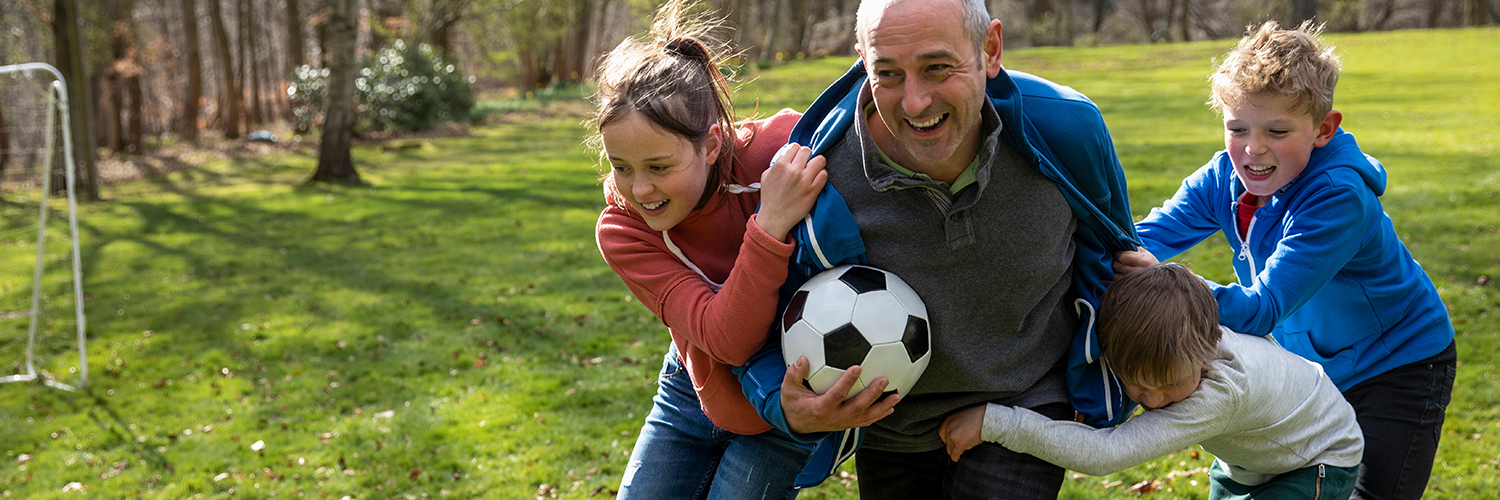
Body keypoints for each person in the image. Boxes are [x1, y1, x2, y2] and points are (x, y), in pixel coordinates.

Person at [735, 0, 1143, 497]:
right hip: (888, 428)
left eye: (937, 68)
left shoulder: (1066, 132)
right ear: (862, 59)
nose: (915, 102)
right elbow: (752, 325)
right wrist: (785, 401)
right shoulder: (816, 179)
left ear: (990, 50)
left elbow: (1121, 263)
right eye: (886, 73)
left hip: (1027, 408)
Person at [1114, 21, 1456, 500]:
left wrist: (1167, 283)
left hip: (1399, 365)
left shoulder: (1337, 198)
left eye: (1277, 130)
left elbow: (1262, 309)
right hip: (1314, 368)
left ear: (1323, 128)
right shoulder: (1223, 179)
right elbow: (1138, 240)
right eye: (1238, 128)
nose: (1253, 148)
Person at [590, 1, 832, 497]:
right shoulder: (623, 230)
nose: (640, 190)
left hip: (785, 402)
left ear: (712, 145)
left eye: (659, 166)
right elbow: (726, 340)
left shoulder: (780, 153)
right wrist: (769, 227)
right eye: (621, 166)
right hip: (691, 389)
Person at [940, 263, 1365, 500]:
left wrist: (995, 423)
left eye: (1169, 385)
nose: (1155, 400)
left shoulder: (1221, 393)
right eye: (1136, 386)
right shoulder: (1185, 339)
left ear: (1209, 345)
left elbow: (1103, 455)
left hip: (1317, 458)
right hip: (1251, 459)